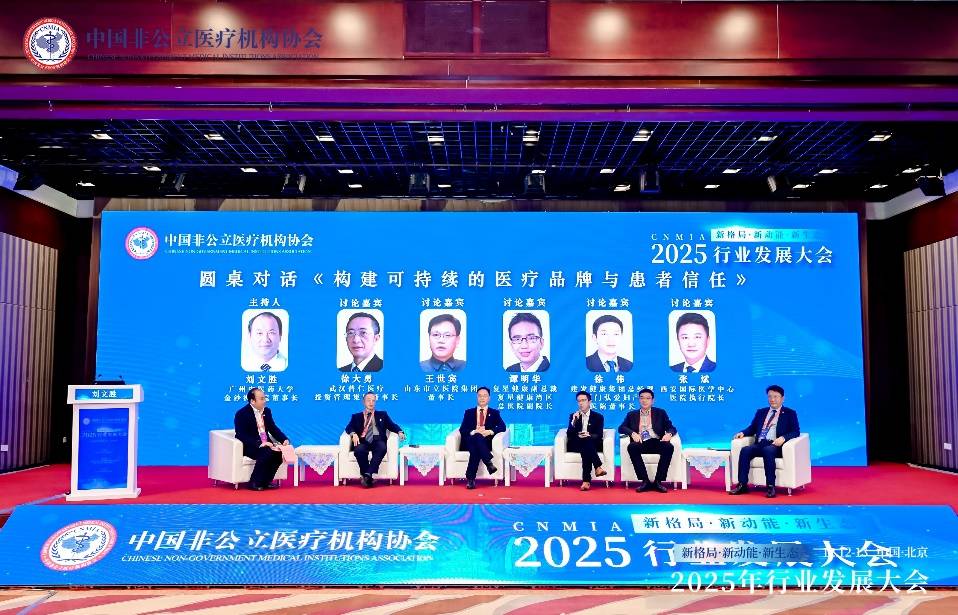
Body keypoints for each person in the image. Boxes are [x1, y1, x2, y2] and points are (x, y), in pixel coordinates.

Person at [730, 385, 800, 498]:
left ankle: (770, 487)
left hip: (775, 445)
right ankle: (742, 485)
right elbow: (752, 428)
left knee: (768, 450)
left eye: (776, 397)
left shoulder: (789, 413)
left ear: (782, 398)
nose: (772, 399)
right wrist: (743, 432)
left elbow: (795, 431)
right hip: (760, 443)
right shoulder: (761, 412)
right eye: (770, 396)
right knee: (745, 450)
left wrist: (783, 438)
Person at [619, 388, 677, 493]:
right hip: (641, 442)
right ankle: (645, 481)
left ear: (652, 400)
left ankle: (658, 482)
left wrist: (669, 434)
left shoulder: (660, 413)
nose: (644, 400)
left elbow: (671, 427)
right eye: (642, 398)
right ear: (639, 400)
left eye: (647, 398)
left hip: (656, 441)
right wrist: (633, 433)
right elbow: (621, 428)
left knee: (668, 447)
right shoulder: (632, 414)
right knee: (632, 447)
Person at [233, 387, 291, 491]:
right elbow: (241, 435)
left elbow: (273, 428)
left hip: (266, 444)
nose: (265, 401)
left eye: (265, 398)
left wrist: (283, 439)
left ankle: (266, 482)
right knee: (266, 452)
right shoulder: (242, 414)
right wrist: (260, 443)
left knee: (278, 455)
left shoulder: (267, 411)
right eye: (262, 399)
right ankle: (254, 482)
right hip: (250, 446)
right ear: (252, 401)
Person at [344, 392, 405, 487]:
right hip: (363, 440)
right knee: (359, 450)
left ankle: (367, 475)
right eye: (368, 400)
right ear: (363, 402)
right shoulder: (356, 416)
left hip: (378, 440)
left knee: (382, 447)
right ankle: (368, 478)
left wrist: (399, 431)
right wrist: (353, 434)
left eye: (373, 400)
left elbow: (392, 425)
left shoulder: (382, 415)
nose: (371, 403)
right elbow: (349, 427)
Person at [458, 387, 506, 489]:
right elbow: (462, 430)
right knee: (477, 437)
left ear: (489, 398)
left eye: (485, 396)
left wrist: (489, 432)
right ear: (477, 397)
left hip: (485, 442)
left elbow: (503, 427)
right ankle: (488, 463)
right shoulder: (469, 412)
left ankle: (470, 479)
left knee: (476, 448)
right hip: (470, 441)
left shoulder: (494, 413)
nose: (482, 398)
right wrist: (474, 431)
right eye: (480, 396)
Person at [566, 390, 607, 491]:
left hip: (591, 443)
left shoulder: (598, 417)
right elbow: (569, 434)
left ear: (589, 402)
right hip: (576, 444)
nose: (581, 403)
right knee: (585, 444)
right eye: (579, 401)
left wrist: (589, 435)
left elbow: (599, 435)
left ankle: (586, 481)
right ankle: (598, 467)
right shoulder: (573, 416)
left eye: (583, 400)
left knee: (586, 444)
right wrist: (573, 422)